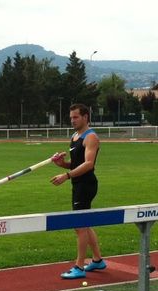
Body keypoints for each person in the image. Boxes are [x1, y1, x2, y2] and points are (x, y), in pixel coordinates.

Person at [50, 103, 107, 279]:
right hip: (78, 183)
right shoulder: (75, 136)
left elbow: (89, 164)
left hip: (86, 185)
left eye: (76, 117)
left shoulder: (91, 137)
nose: (72, 120)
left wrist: (66, 175)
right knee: (84, 223)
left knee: (79, 226)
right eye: (71, 118)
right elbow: (77, 163)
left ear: (85, 117)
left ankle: (79, 267)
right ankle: (97, 260)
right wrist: (62, 164)